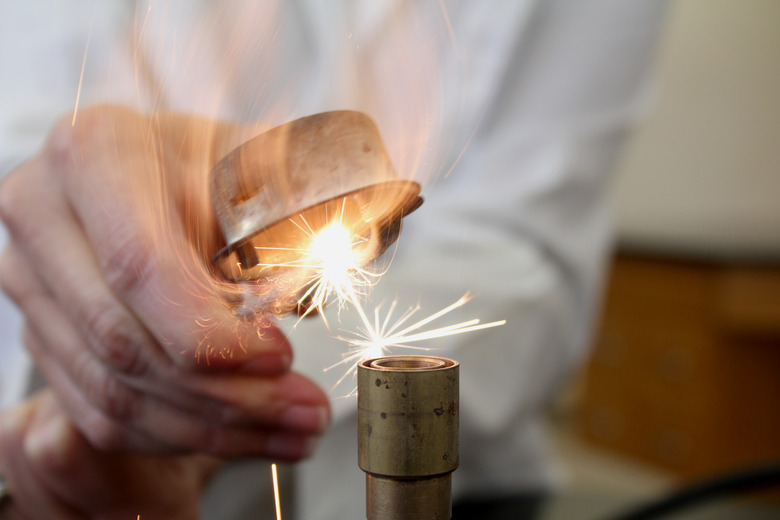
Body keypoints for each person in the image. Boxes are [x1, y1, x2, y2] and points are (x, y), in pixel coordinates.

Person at [0, 1, 668, 519]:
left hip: (473, 491)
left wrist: (240, 407)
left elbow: (524, 256)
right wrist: (98, 308)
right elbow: (28, 152)